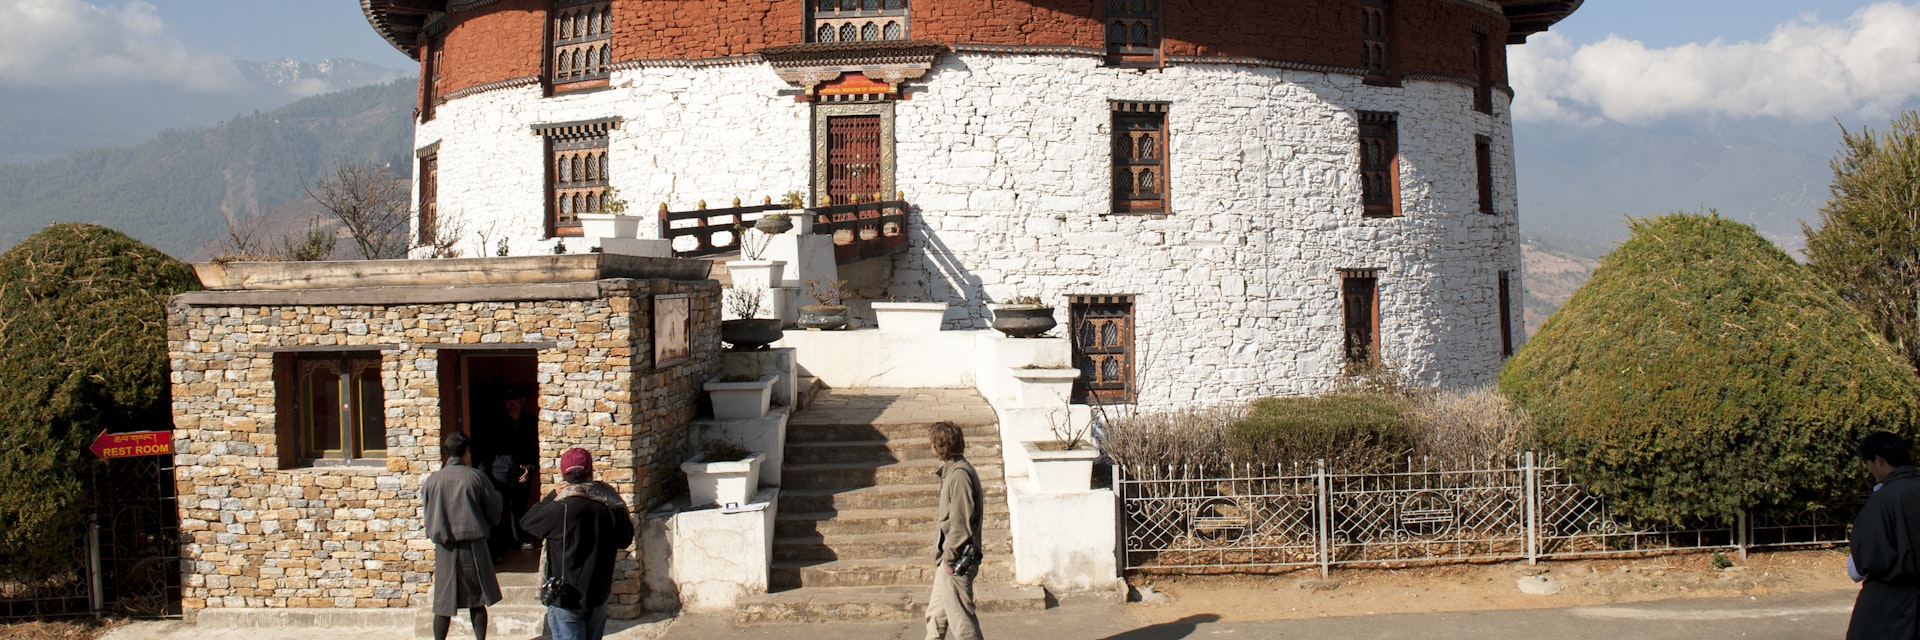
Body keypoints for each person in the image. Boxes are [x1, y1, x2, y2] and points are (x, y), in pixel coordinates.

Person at [522, 448, 635, 640]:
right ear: (590, 471)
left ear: (564, 475)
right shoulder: (610, 502)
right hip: (598, 594)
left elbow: (528, 521)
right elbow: (625, 539)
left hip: (566, 597)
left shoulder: (559, 507)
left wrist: (551, 496)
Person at [422, 432, 504, 640]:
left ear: (446, 453)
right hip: (473, 546)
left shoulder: (432, 481)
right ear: (467, 452)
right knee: (476, 600)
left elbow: (428, 515)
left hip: (445, 548)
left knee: (443, 602)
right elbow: (494, 511)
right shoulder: (476, 477)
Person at [1847, 431, 1920, 639]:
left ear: (1879, 460)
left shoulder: (1884, 498)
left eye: (1869, 464)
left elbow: (1865, 559)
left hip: (1891, 605)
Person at [925, 421, 984, 640]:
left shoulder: (959, 475)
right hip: (948, 560)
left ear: (938, 447)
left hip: (957, 560)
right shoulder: (954, 471)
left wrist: (949, 559)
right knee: (935, 617)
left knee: (963, 624)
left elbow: (961, 524)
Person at [482, 387, 540, 561]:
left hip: (521, 473)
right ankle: (498, 548)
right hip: (498, 473)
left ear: (522, 402)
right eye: (509, 403)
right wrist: (486, 474)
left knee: (520, 508)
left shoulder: (530, 421)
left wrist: (530, 469)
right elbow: (487, 450)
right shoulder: (495, 421)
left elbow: (536, 448)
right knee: (498, 510)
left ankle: (520, 539)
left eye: (515, 402)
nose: (512, 406)